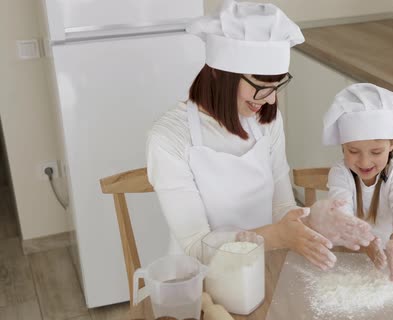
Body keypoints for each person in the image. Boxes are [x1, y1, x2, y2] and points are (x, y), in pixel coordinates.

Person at [146, 1, 373, 271]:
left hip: (263, 265)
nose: (270, 99)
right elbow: (196, 246)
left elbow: (282, 207)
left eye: (277, 86)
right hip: (200, 283)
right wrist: (277, 235)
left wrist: (312, 219)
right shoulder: (169, 137)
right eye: (261, 87)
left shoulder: (266, 120)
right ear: (219, 74)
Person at [323, 83, 393, 280]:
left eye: (376, 152)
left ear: (392, 144)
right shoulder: (340, 174)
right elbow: (342, 212)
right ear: (343, 146)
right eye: (353, 151)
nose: (364, 162)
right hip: (345, 259)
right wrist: (365, 243)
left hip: (388, 262)